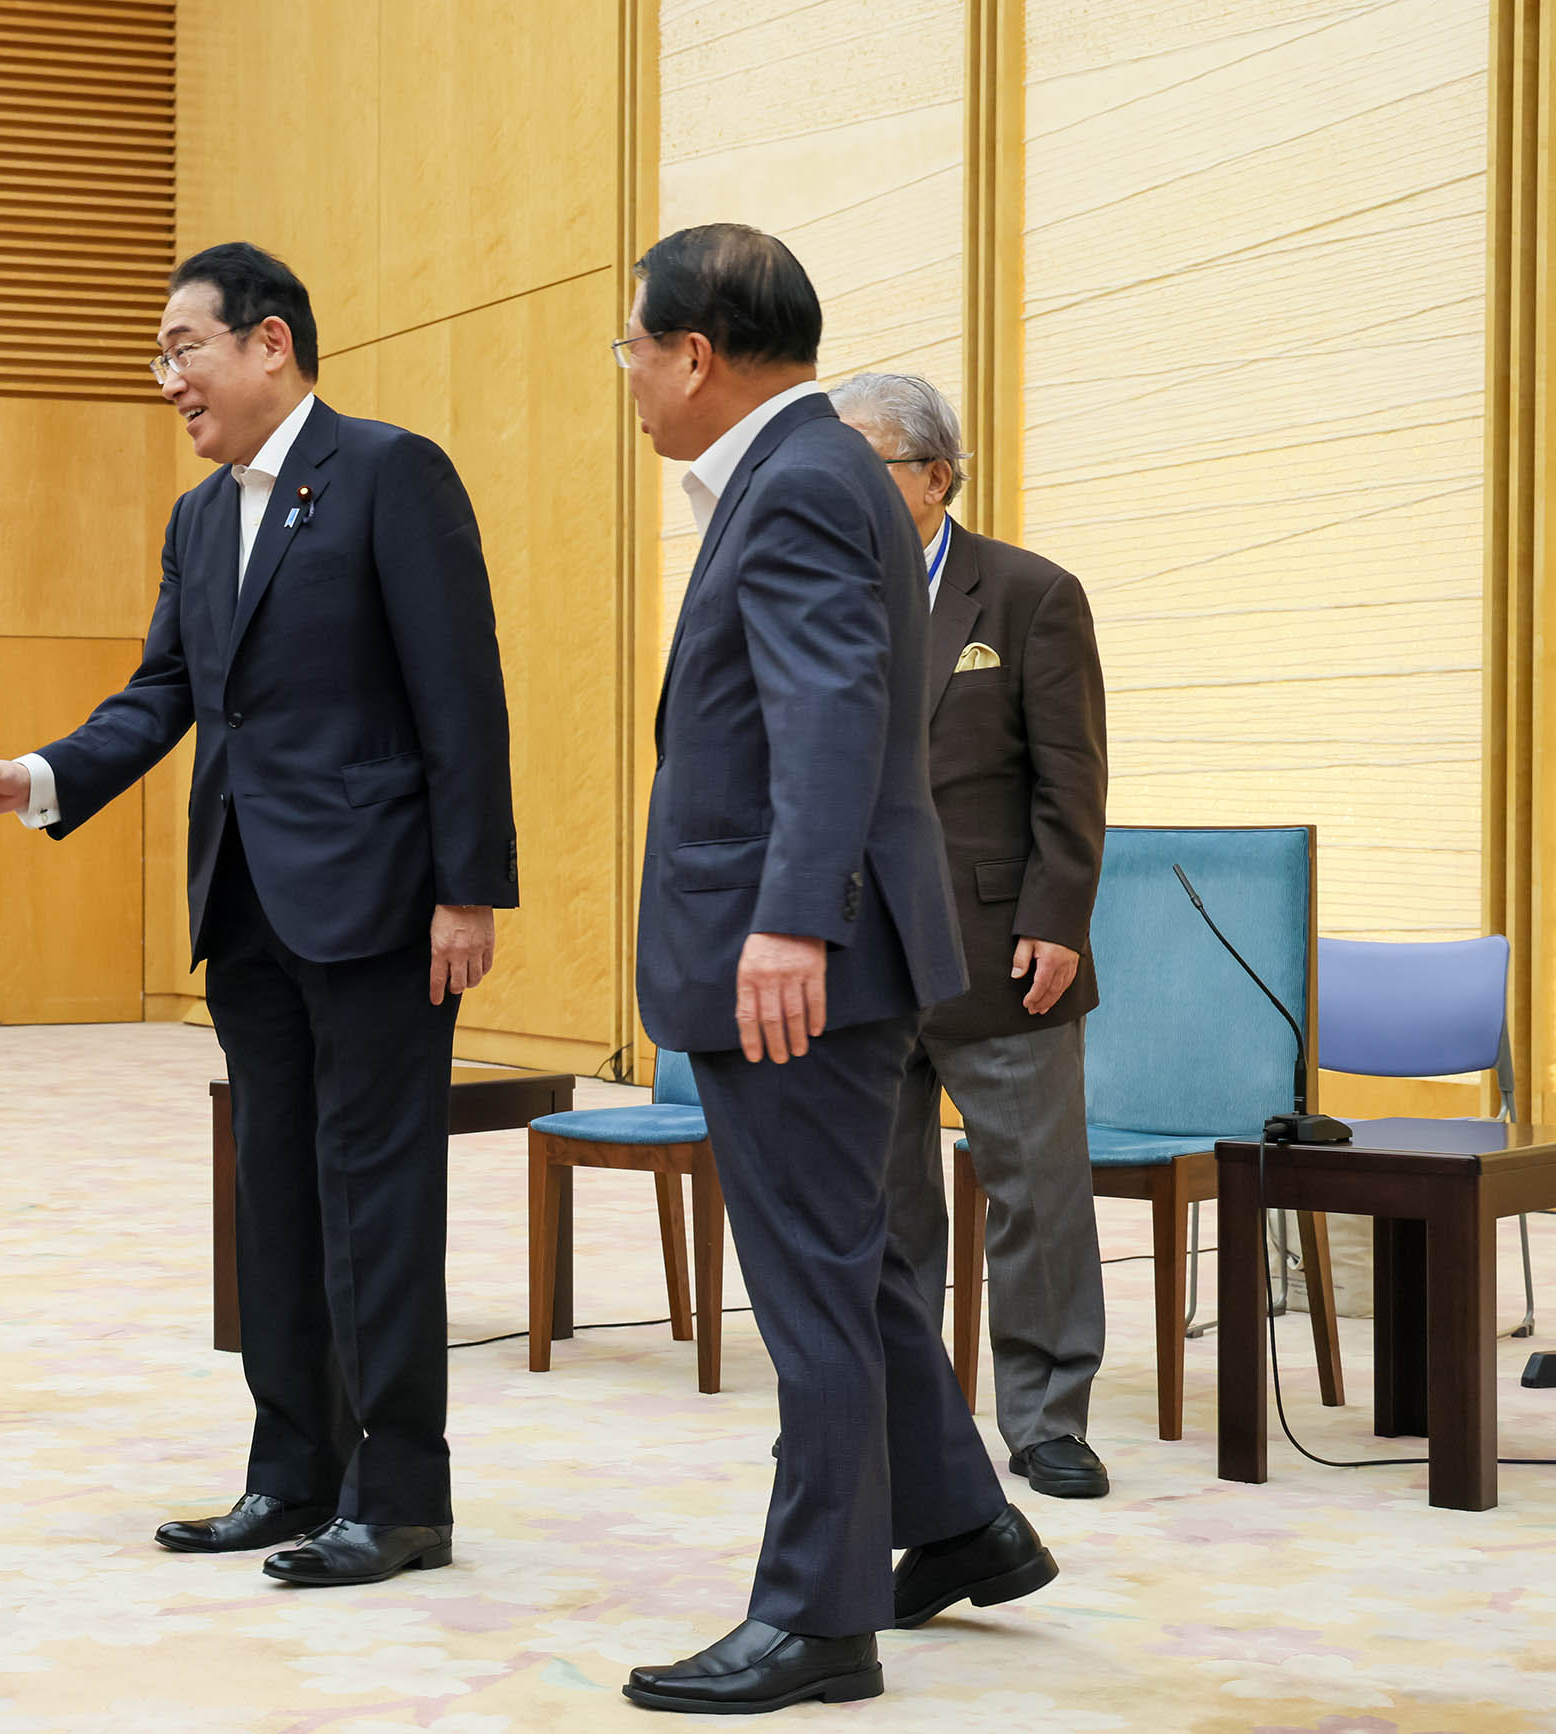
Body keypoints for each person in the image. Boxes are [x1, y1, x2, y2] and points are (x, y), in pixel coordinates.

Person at [0, 242, 517, 1588]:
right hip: (251, 907)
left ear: (270, 343)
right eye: (159, 358)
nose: (168, 381)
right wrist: (31, 778)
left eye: (180, 349)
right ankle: (290, 1470)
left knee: (377, 1195)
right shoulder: (200, 518)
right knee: (271, 1193)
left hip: (383, 903)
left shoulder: (395, 472)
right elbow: (161, 697)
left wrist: (469, 888)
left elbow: (461, 690)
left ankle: (402, 1496)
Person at [614, 225, 1057, 1715]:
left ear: (695, 352)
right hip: (837, 951)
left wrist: (789, 920)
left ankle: (815, 1620)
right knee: (855, 1267)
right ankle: (958, 1521)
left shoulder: (797, 483)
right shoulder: (819, 472)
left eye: (633, 345)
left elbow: (823, 714)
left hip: (799, 959)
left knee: (808, 1290)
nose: (624, 375)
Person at [831, 372, 1112, 1500]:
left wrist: (1057, 921)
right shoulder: (825, 590)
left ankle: (1046, 1420)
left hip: (1000, 946)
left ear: (933, 474)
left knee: (1034, 1192)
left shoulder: (1029, 595)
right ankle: (911, 1420)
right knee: (884, 1204)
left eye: (866, 464)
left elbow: (1072, 780)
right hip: (862, 951)